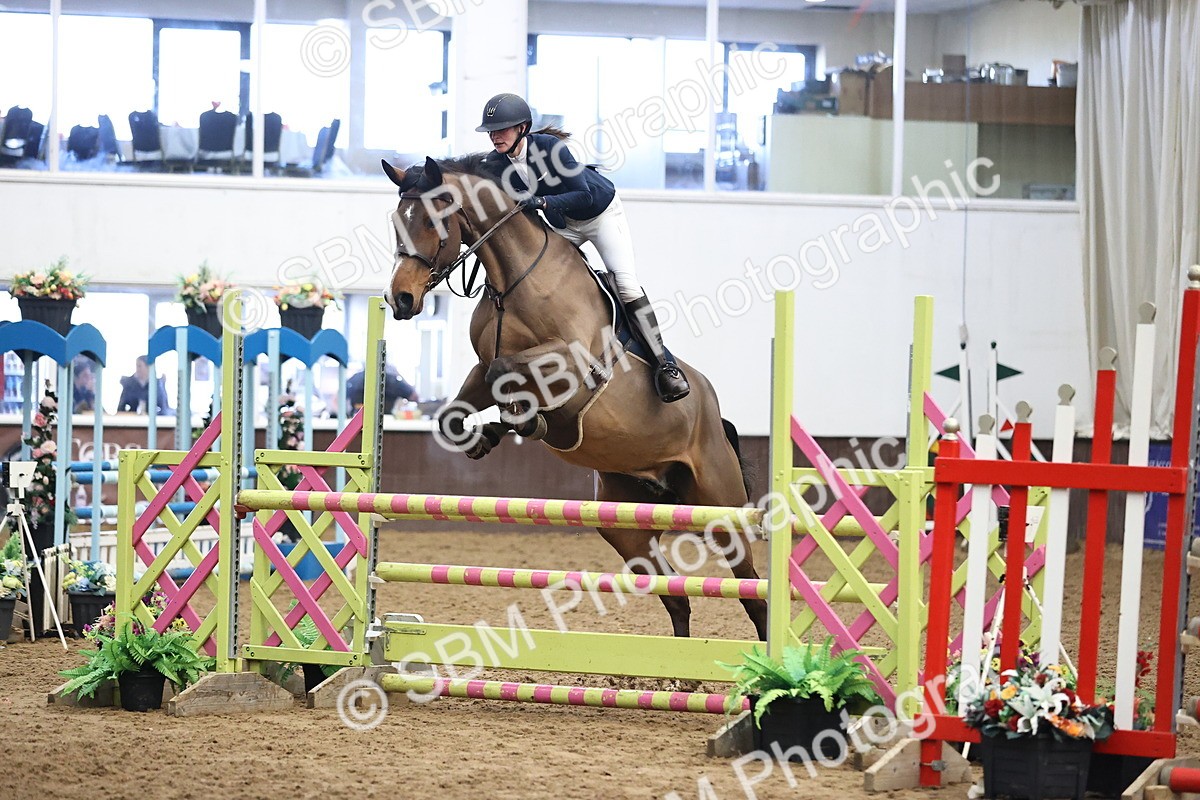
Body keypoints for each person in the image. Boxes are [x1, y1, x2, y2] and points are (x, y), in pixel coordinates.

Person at [475, 93, 690, 403]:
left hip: (599, 216)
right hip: (563, 224)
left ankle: (665, 366)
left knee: (626, 285)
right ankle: (583, 356)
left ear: (523, 128)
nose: (496, 136)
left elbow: (584, 195)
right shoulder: (494, 164)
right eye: (491, 132)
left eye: (502, 129)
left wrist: (542, 201)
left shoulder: (549, 149)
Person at [346, 364, 419, 413]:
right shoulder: (392, 381)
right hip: (381, 422)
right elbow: (414, 397)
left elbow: (337, 399)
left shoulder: (355, 379)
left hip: (361, 423)